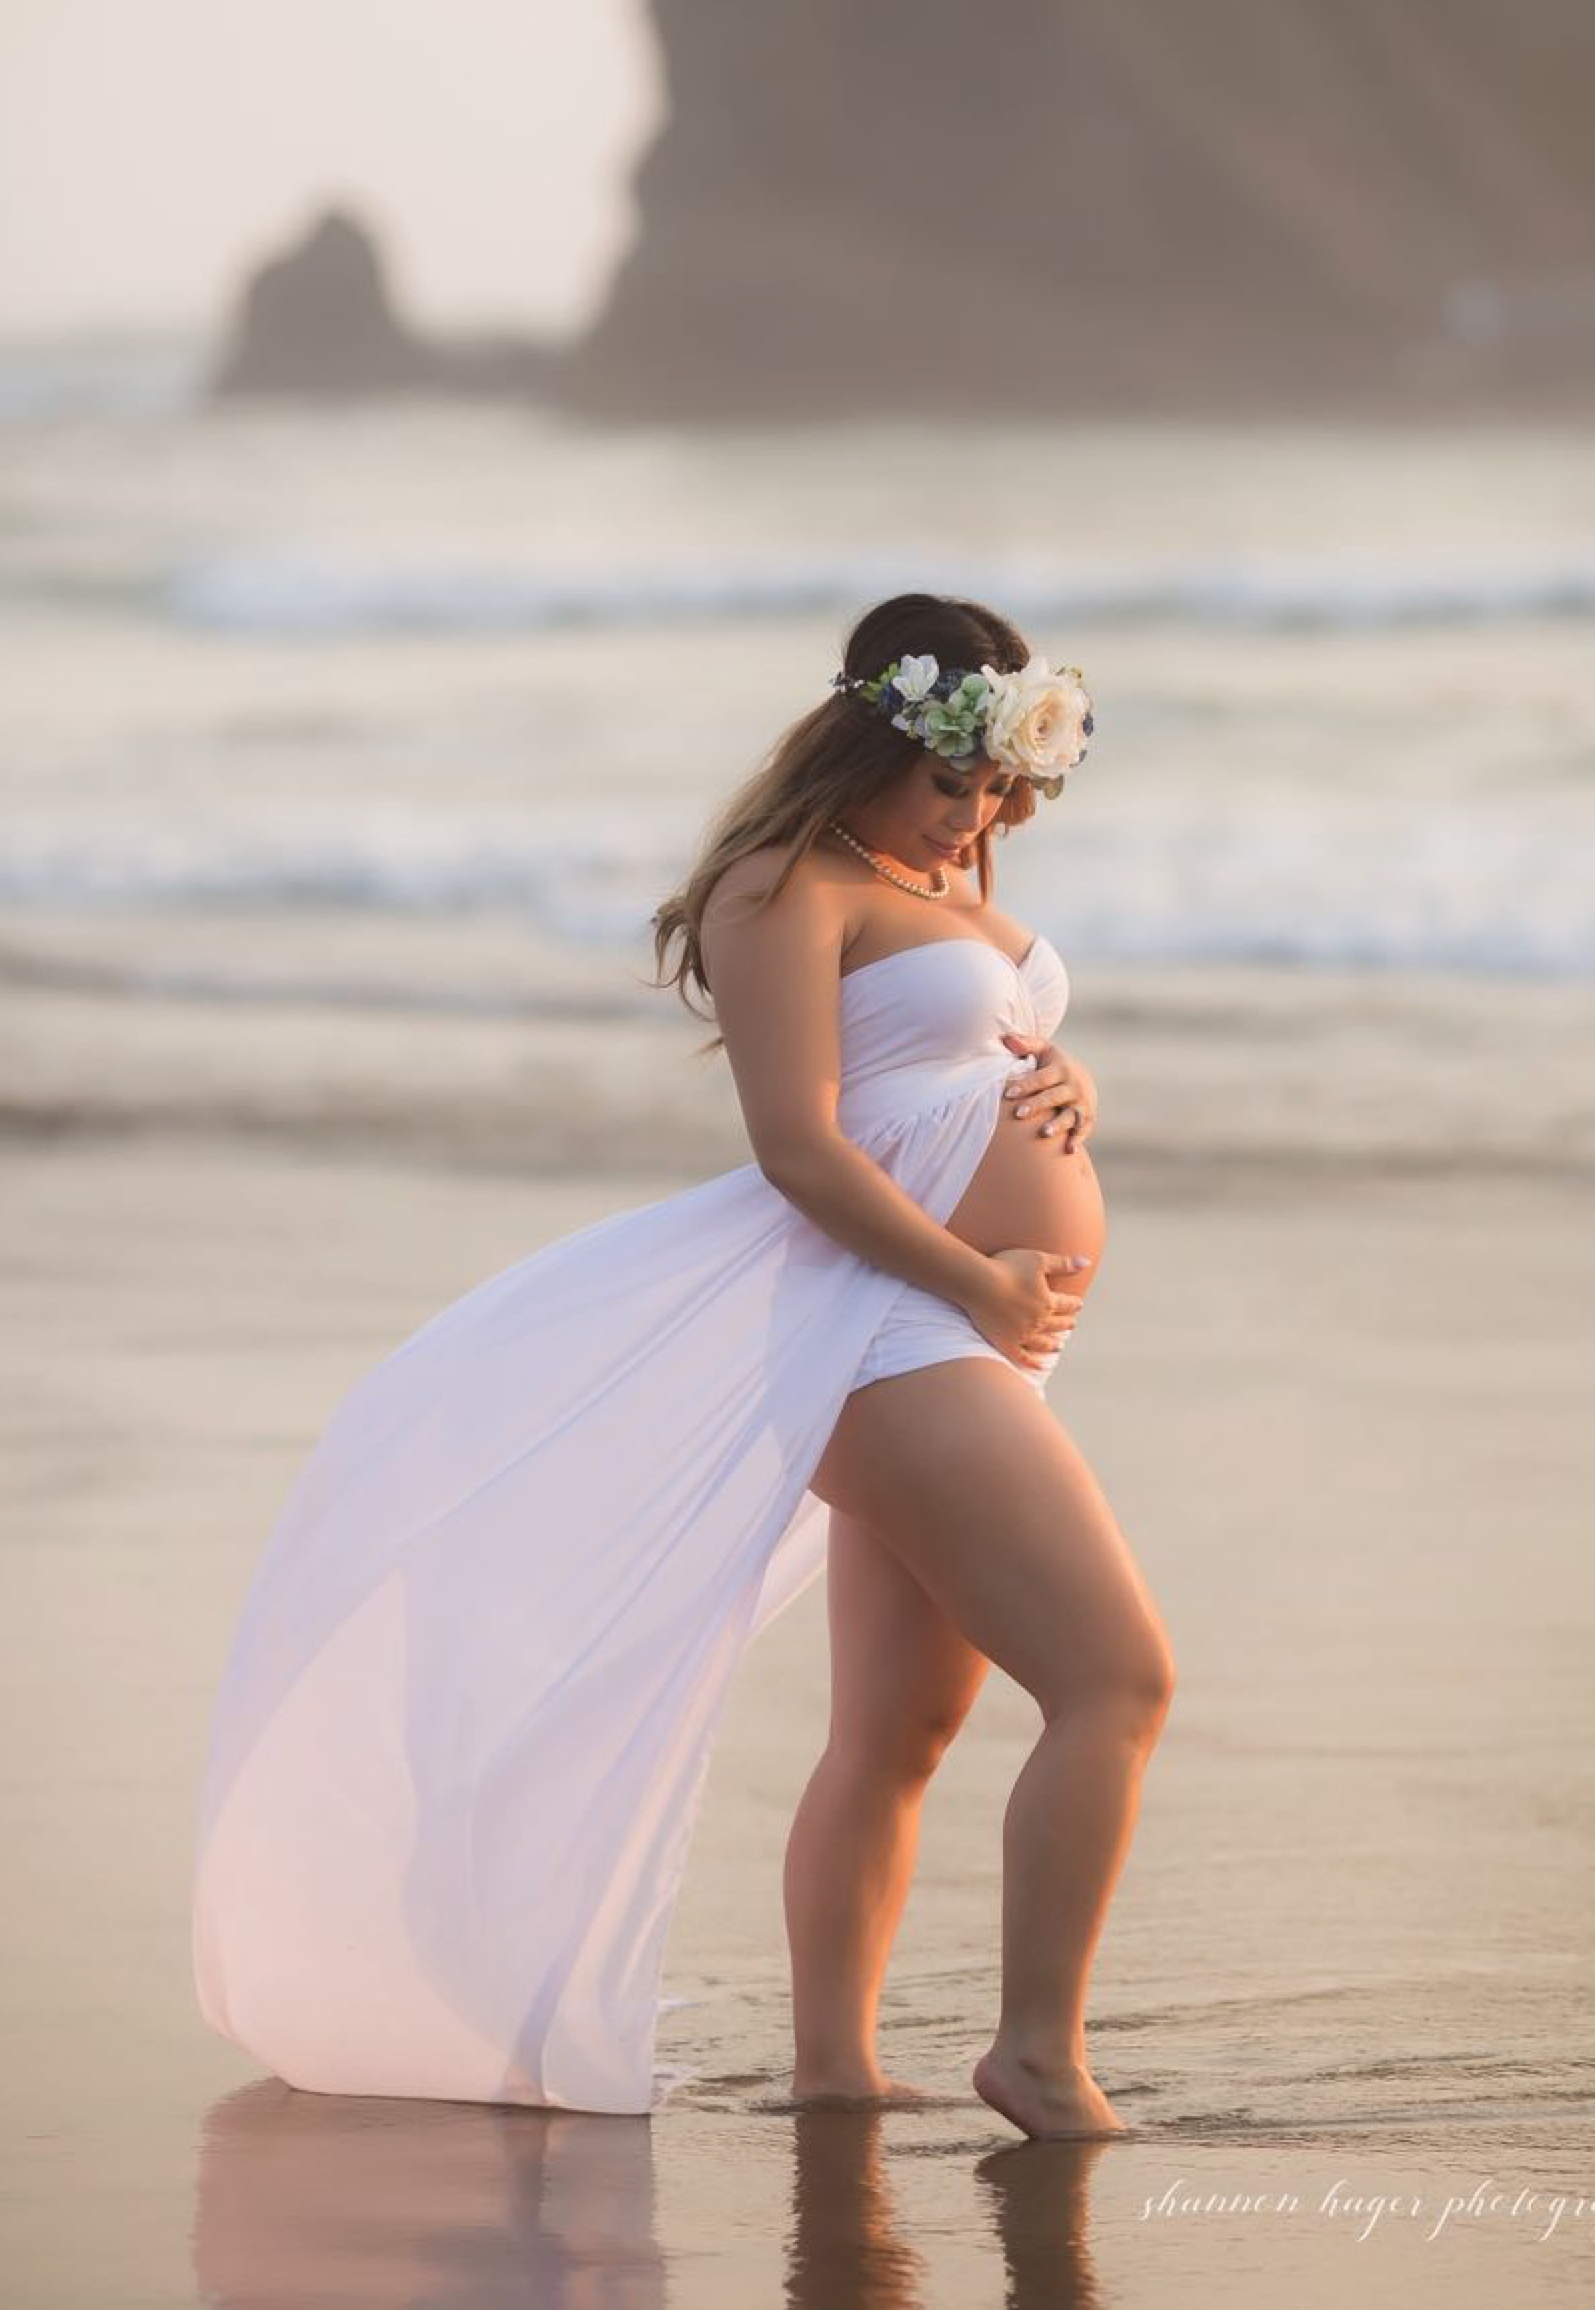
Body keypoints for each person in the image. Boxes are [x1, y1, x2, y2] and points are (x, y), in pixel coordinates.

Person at [191, 591, 1175, 2143]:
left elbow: (961, 1046)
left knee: (897, 1734)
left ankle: (835, 2068)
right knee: (1119, 1679)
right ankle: (1038, 2052)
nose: (978, 813)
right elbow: (798, 1146)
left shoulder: (944, 870)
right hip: (894, 1325)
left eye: (1001, 786)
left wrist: (1062, 1077)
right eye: (952, 779)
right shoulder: (781, 887)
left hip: (964, 1328)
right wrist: (977, 1281)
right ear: (866, 742)